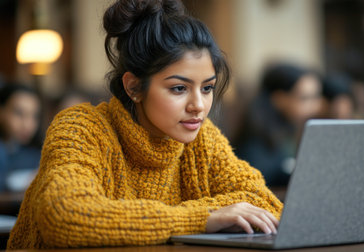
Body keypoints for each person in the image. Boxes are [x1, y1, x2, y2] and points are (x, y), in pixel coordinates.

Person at [7, 0, 282, 249]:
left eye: (207, 88)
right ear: (134, 87)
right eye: (178, 88)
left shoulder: (201, 137)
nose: (198, 105)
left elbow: (265, 204)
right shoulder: (81, 127)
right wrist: (203, 217)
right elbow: (67, 215)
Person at [233, 63, 322, 186]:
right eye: (304, 98)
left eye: (316, 97)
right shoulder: (255, 141)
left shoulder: (286, 129)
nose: (315, 107)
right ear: (279, 98)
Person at [0, 83, 41, 192]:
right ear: (1, 111)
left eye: (34, 116)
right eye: (19, 113)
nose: (27, 124)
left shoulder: (34, 155)